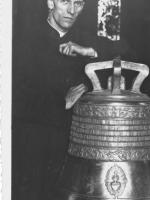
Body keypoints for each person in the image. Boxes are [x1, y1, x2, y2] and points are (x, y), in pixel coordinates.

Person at [12, 0, 132, 200]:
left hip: (76, 144)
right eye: (64, 1)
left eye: (78, 3)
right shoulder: (24, 39)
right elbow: (13, 99)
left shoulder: (84, 39)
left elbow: (132, 52)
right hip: (36, 144)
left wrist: (88, 52)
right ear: (50, 2)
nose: (71, 10)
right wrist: (62, 102)